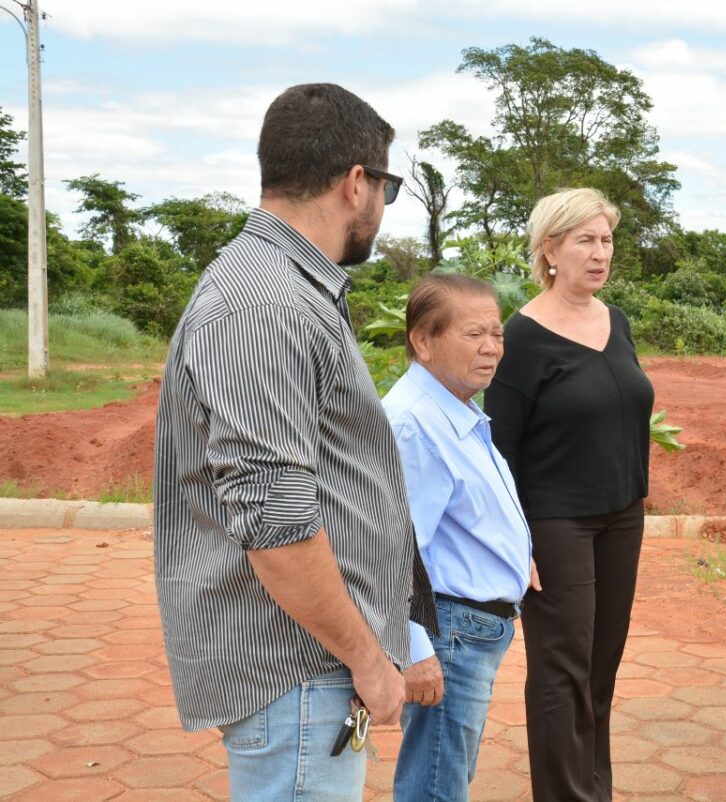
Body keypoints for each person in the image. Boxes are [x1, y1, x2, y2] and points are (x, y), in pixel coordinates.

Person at [153, 83, 436, 801]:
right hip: (300, 672)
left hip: (308, 671)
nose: (380, 205)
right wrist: (369, 662)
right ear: (354, 184)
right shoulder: (266, 304)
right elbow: (278, 527)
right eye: (386, 186)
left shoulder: (287, 290)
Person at [484, 187, 655, 802]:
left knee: (602, 667)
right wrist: (513, 539)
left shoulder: (617, 321)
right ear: (550, 249)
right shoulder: (522, 338)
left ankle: (593, 790)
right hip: (556, 525)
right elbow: (499, 450)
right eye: (585, 240)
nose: (599, 252)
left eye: (606, 239)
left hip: (621, 519)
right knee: (562, 672)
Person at [383, 274, 537, 802]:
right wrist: (417, 650)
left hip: (468, 628)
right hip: (447, 632)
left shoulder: (456, 408)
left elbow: (458, 516)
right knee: (436, 787)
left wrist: (516, 558)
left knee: (446, 774)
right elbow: (395, 552)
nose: (492, 348)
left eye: (497, 333)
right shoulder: (414, 423)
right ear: (423, 342)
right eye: (474, 334)